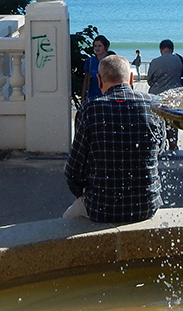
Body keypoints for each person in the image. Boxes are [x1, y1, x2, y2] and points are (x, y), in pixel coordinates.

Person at [64, 55, 166, 224]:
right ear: (131, 78)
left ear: (99, 80)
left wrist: (82, 193)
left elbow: (73, 169)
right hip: (147, 205)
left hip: (101, 206)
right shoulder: (153, 104)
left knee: (66, 222)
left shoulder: (90, 109)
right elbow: (160, 149)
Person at [145, 40, 183, 151]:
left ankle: (159, 149)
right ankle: (173, 148)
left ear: (161, 50)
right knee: (172, 126)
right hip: (173, 97)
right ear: (172, 49)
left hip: (156, 97)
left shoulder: (154, 62)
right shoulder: (180, 59)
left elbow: (149, 81)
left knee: (158, 125)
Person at [80, 35, 112, 101]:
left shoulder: (110, 61)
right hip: (92, 96)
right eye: (95, 46)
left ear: (105, 47)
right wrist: (82, 97)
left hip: (107, 96)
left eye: (99, 46)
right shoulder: (90, 61)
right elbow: (86, 80)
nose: (97, 48)